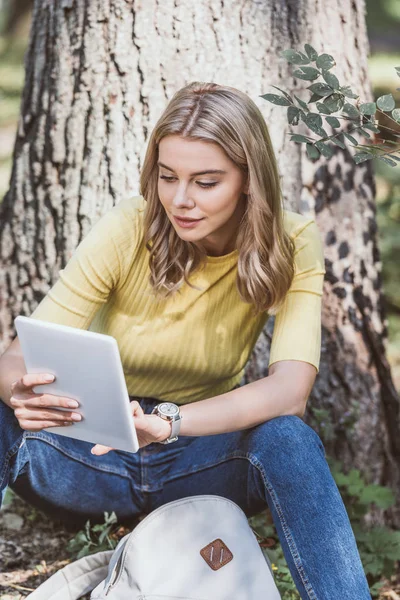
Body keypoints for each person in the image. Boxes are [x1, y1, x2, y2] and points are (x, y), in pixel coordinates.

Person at [0, 81, 371, 599]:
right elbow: (15, 356)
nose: (180, 199)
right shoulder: (131, 226)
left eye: (206, 181)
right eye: (168, 176)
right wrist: (19, 388)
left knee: (288, 439)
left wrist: (170, 423)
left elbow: (290, 390)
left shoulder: (291, 241)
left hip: (196, 456)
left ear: (249, 179)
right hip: (95, 455)